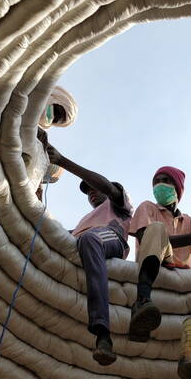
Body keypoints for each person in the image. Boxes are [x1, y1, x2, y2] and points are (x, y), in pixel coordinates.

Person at [46, 143, 133, 366]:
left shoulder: (118, 205)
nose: (92, 193)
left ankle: (102, 331)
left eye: (95, 188)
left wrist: (62, 161)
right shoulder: (81, 224)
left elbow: (106, 186)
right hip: (85, 242)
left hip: (109, 238)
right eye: (88, 192)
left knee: (91, 238)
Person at [128, 166, 191, 342]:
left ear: (177, 188)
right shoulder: (148, 207)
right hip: (156, 263)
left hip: (183, 274)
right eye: (156, 182)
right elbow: (146, 238)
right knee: (156, 229)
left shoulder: (188, 221)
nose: (160, 185)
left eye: (166, 181)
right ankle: (142, 300)